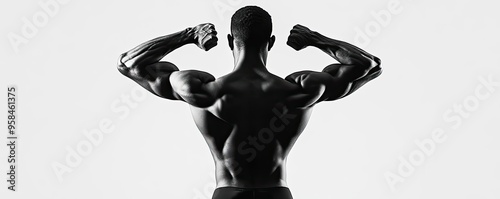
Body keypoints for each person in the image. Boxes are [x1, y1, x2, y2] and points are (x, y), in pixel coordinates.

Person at [117, 5, 381, 199]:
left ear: (231, 41)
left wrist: (187, 35)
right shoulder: (298, 89)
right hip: (276, 194)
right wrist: (315, 39)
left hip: (227, 194)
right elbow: (369, 66)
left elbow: (129, 64)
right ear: (272, 42)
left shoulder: (202, 89)